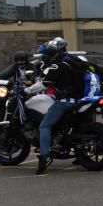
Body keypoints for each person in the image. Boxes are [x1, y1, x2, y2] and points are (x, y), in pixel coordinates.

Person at [35, 38, 92, 174]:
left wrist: (26, 90)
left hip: (65, 101)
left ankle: (44, 156)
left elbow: (44, 84)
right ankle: (79, 152)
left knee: (44, 125)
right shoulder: (74, 62)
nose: (47, 56)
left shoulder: (58, 66)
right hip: (80, 100)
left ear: (55, 53)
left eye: (49, 53)